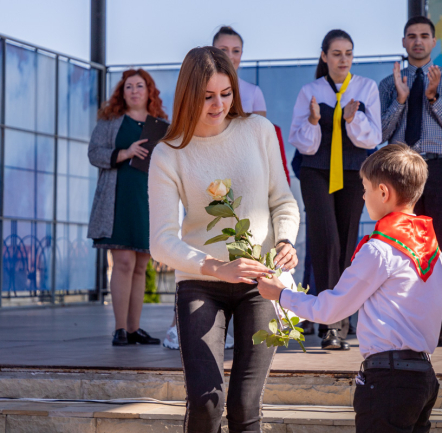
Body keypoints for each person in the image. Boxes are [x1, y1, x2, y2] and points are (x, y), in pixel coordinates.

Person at [148, 47, 300, 432]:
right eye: (207, 96)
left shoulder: (259, 131)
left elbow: (283, 201)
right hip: (201, 282)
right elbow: (161, 241)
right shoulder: (168, 153)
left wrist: (285, 241)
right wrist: (216, 266)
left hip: (260, 282)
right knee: (206, 402)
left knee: (245, 405)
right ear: (188, 96)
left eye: (226, 93)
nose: (219, 105)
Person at [258, 144, 442, 433]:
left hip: (389, 379)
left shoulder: (379, 250)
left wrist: (282, 294)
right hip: (424, 376)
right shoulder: (435, 252)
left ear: (383, 192)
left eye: (365, 188)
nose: (362, 195)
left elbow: (331, 309)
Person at [289, 29, 381, 350]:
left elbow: (373, 138)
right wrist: (314, 121)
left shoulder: (366, 88)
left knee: (346, 242)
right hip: (316, 172)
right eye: (337, 53)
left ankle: (341, 319)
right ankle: (330, 324)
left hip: (354, 171)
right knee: (325, 240)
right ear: (324, 56)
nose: (344, 59)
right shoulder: (310, 91)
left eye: (348, 53)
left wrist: (354, 120)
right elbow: (300, 141)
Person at [379, 16, 442, 347]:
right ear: (404, 42)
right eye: (412, 36)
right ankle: (404, 322)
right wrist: (401, 100)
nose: (418, 41)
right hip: (401, 170)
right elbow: (380, 133)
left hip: (440, 169)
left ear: (433, 42)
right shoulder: (389, 84)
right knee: (400, 249)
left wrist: (433, 98)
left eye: (424, 36)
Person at [88, 68, 167, 346]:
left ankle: (134, 329)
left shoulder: (161, 125)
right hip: (117, 200)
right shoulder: (110, 122)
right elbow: (94, 153)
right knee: (123, 263)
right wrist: (125, 152)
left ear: (149, 91)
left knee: (141, 266)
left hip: (148, 201)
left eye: (139, 86)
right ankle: (120, 329)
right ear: (122, 93)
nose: (134, 91)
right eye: (128, 86)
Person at [213, 26, 266, 116]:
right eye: (223, 49)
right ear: (212, 51)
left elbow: (261, 124)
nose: (230, 56)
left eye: (236, 51)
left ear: (241, 54)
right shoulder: (199, 88)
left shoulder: (254, 91)